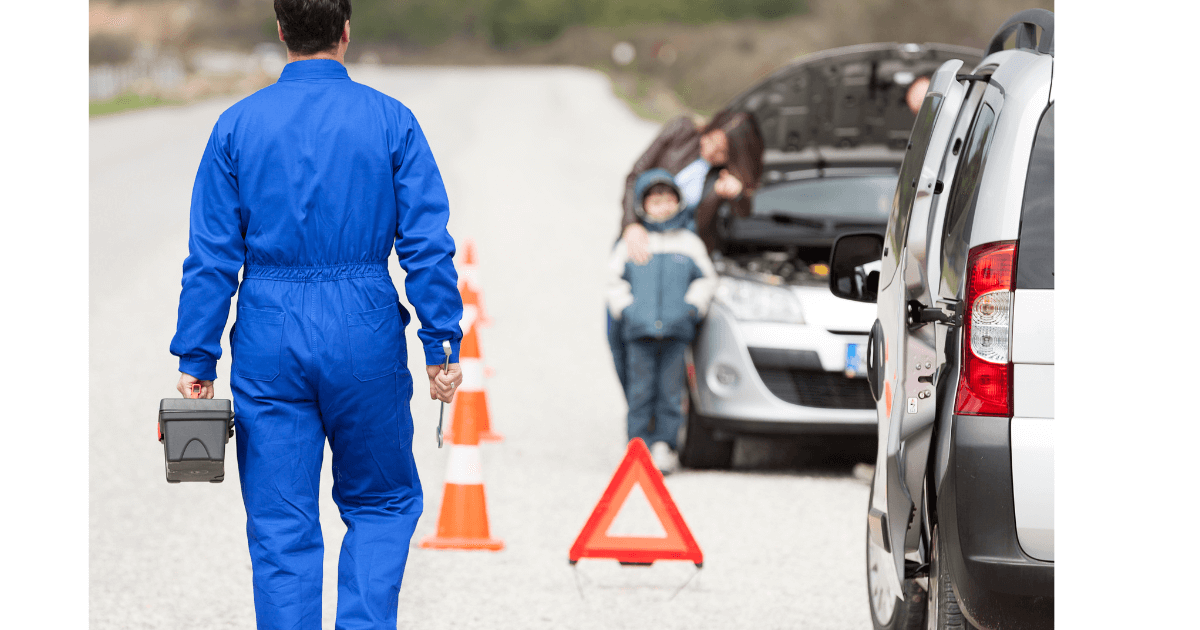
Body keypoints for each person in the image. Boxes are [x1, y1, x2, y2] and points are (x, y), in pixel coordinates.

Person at [168, 1, 463, 628]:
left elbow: (211, 254)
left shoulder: (236, 125)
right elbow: (426, 244)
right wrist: (441, 343)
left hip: (269, 333)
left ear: (281, 31)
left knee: (281, 523)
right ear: (346, 31)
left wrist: (197, 355)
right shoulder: (391, 120)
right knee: (381, 503)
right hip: (364, 327)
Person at [606, 169, 718, 474]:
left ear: (679, 202)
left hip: (676, 332)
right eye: (655, 202)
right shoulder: (633, 242)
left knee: (671, 392)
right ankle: (637, 446)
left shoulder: (689, 243)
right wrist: (627, 310)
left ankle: (664, 446)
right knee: (640, 392)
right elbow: (614, 281)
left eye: (668, 200)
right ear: (643, 206)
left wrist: (691, 308)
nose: (662, 207)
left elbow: (706, 279)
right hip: (638, 332)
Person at [620, 109, 765, 258]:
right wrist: (631, 224)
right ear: (709, 128)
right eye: (710, 140)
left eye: (721, 152)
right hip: (642, 234)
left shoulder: (726, 175)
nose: (710, 151)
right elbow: (634, 176)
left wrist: (737, 195)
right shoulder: (682, 130)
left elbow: (742, 214)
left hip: (684, 252)